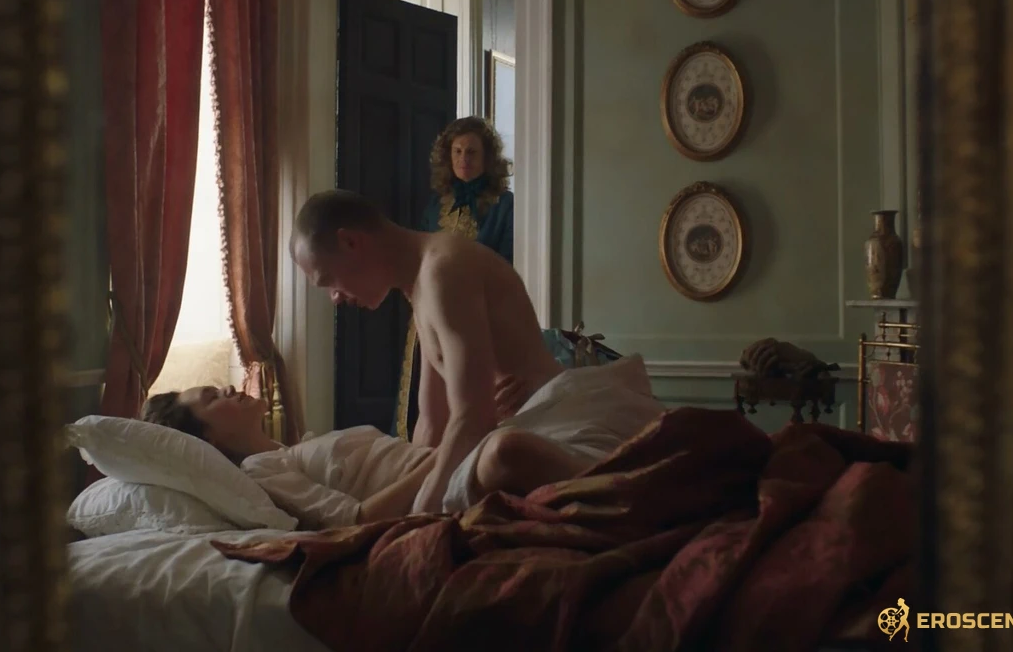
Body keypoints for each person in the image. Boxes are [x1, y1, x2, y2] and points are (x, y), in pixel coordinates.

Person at [291, 189, 665, 515]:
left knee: (500, 452)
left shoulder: (443, 269)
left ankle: (644, 491)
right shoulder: (419, 289)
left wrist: (418, 514)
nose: (334, 298)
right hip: (517, 429)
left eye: (326, 281)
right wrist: (395, 500)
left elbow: (473, 419)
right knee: (465, 466)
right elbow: (432, 425)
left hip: (563, 422)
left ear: (350, 242)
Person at [140, 385, 437, 529]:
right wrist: (442, 460)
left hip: (442, 470)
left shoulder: (283, 453)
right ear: (208, 437)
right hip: (441, 485)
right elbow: (356, 520)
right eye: (213, 397)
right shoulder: (260, 470)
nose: (228, 388)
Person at [396, 117, 515, 442]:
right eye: (457, 151)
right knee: (425, 409)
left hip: (477, 319)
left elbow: (506, 264)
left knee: (467, 405)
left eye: (472, 152)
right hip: (427, 317)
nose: (464, 159)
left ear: (487, 157)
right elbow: (417, 259)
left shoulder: (504, 205)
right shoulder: (436, 206)